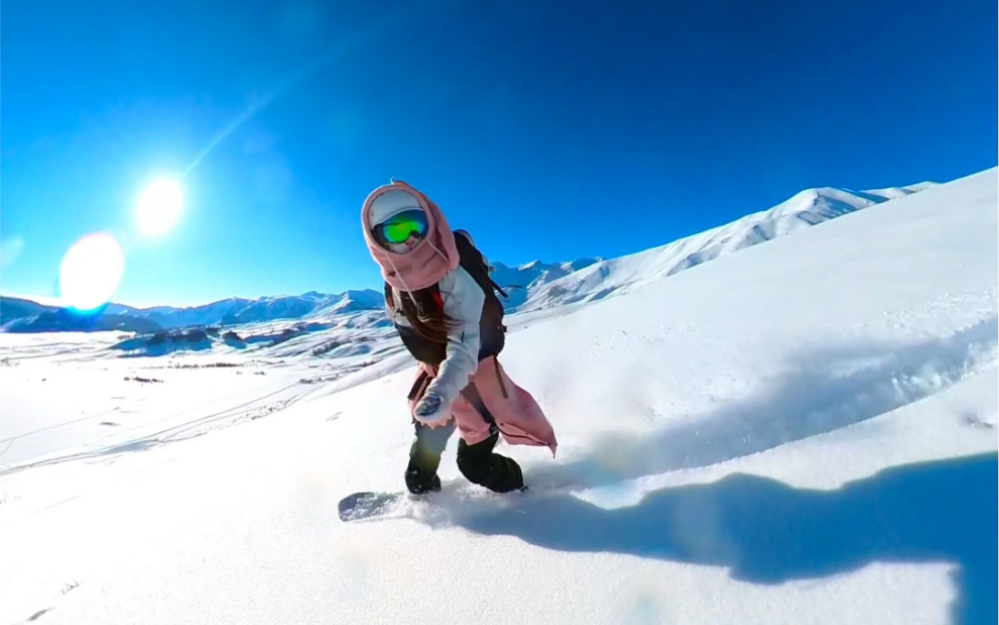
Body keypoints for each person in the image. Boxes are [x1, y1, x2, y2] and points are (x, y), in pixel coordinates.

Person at [361, 179, 557, 495]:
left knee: (474, 465)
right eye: (396, 231)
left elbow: (466, 344)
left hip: (477, 385)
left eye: (416, 224)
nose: (411, 238)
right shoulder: (395, 284)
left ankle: (526, 495)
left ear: (431, 221)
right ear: (377, 241)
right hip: (434, 378)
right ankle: (426, 508)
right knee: (418, 475)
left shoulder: (453, 276)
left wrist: (441, 392)